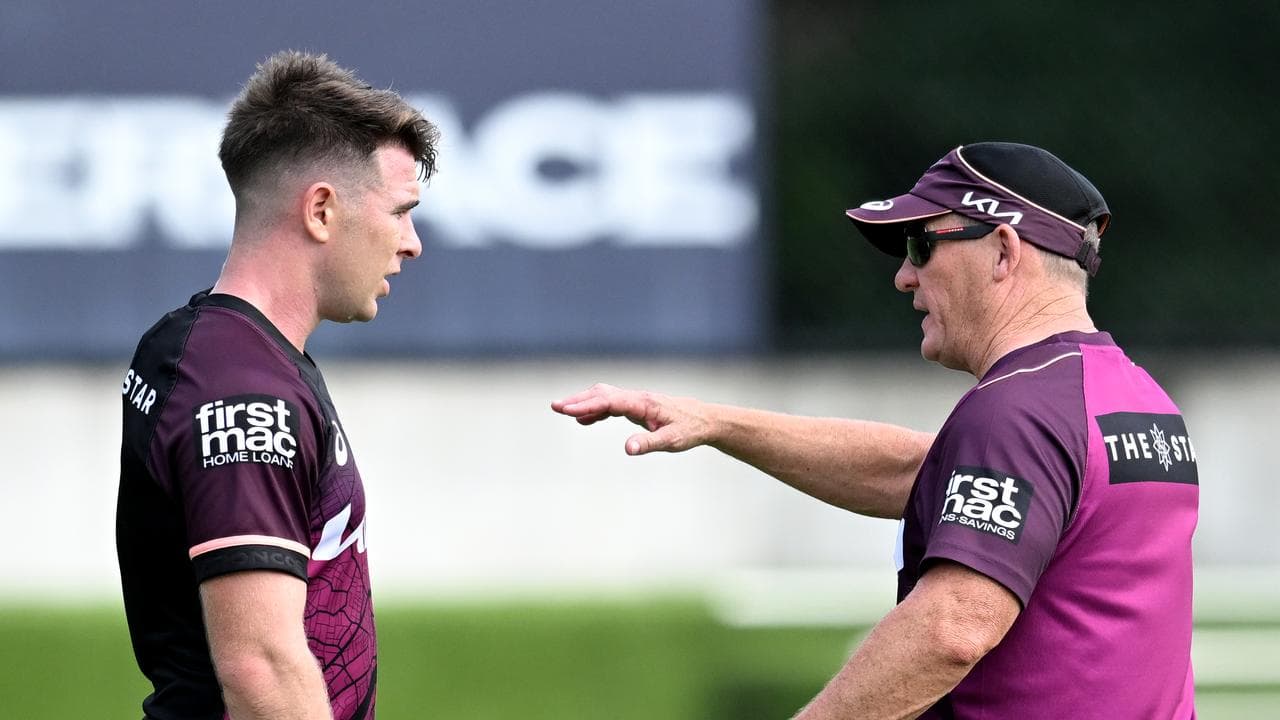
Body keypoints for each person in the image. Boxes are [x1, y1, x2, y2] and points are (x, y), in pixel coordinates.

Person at [552, 142, 1198, 718]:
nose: (905, 275)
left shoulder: (1016, 409)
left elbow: (952, 627)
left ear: (1003, 250)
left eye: (924, 244)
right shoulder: (1127, 393)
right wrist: (719, 422)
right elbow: (929, 473)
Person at [117, 50, 438, 720]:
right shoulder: (243, 391)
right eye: (400, 211)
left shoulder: (211, 350)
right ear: (321, 209)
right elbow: (259, 668)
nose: (411, 243)